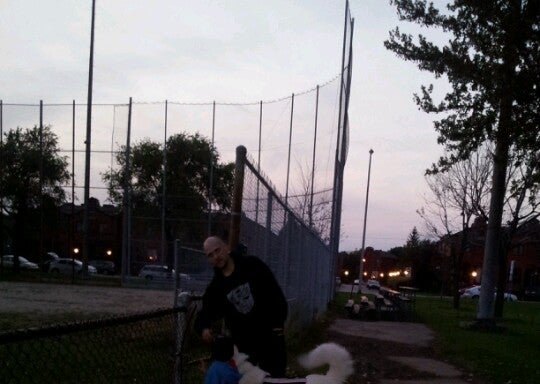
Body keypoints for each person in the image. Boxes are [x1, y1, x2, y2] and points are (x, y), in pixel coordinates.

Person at [195, 235, 288, 377]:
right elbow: (206, 312)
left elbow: (274, 293)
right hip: (245, 346)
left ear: (226, 248)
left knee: (275, 379)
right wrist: (204, 328)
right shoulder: (216, 288)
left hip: (270, 337)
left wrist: (278, 325)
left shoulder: (252, 266)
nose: (216, 256)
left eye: (217, 250)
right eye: (210, 255)